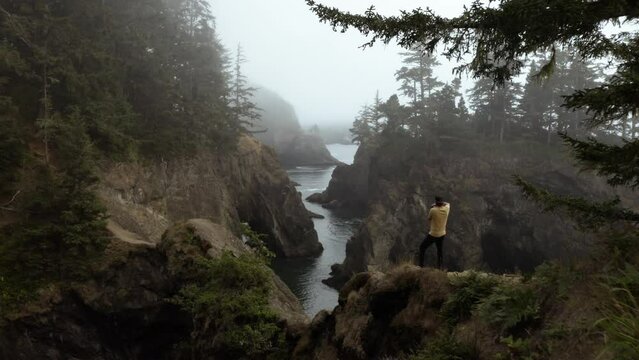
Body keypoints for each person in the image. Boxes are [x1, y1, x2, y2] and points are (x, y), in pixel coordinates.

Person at [418, 196, 450, 269]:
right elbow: (448, 203)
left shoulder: (433, 210)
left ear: (436, 203)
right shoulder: (447, 209)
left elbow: (429, 218)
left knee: (422, 247)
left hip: (433, 234)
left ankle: (421, 266)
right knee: (439, 250)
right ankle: (440, 267)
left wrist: (434, 206)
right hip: (442, 234)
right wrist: (440, 204)